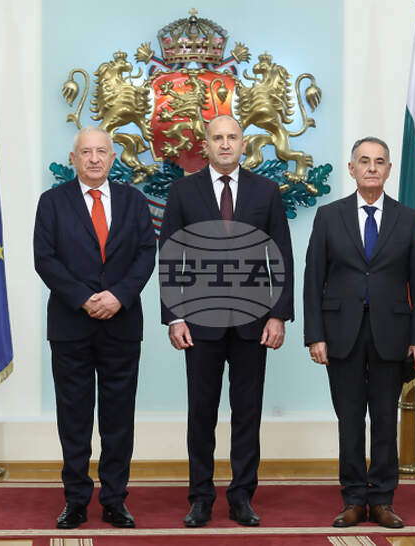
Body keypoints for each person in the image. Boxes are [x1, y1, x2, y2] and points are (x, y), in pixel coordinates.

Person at [159, 115, 294, 528]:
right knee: (200, 413)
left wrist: (278, 314)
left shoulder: (265, 191)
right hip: (199, 322)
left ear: (243, 143)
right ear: (206, 144)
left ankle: (242, 497)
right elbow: (170, 255)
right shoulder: (183, 191)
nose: (225, 144)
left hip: (254, 322)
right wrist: (174, 316)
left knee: (247, 414)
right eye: (217, 138)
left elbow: (281, 255)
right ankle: (200, 498)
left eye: (232, 137)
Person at [303, 137, 415, 529]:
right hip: (341, 334)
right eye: (364, 161)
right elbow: (313, 279)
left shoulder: (408, 218)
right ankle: (354, 500)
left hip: (393, 335)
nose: (372, 167)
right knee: (350, 420)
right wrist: (315, 335)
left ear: (389, 169)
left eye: (379, 161)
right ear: (352, 168)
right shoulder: (329, 216)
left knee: (385, 421)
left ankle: (382, 500)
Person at [33, 126, 156, 529]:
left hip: (122, 324)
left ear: (113, 158)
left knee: (118, 419)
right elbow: (45, 259)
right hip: (71, 325)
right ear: (73, 159)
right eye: (85, 152)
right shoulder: (52, 203)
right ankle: (75, 501)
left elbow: (146, 253)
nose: (94, 158)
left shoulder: (134, 201)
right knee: (74, 418)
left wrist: (118, 296)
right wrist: (84, 298)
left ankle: (115, 500)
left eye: (101, 151)